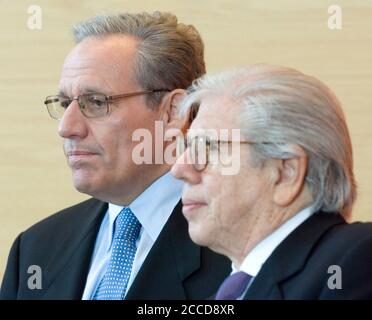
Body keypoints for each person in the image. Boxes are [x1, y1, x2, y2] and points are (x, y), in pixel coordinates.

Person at [0, 12, 230, 300]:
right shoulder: (35, 249)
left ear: (174, 112)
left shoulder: (235, 247)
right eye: (64, 103)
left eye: (95, 102)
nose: (66, 128)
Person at [171, 64, 372, 299]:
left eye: (207, 148)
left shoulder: (357, 260)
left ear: (285, 172)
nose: (179, 169)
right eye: (187, 148)